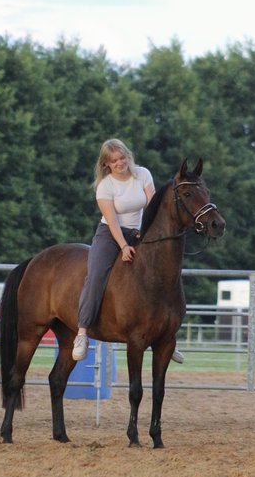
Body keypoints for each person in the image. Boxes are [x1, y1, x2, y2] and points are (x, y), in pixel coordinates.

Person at [74, 139, 184, 364]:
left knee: (165, 272)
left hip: (139, 231)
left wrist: (152, 235)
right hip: (110, 234)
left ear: (128, 156)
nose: (119, 163)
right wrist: (123, 247)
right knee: (95, 276)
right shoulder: (105, 186)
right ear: (106, 164)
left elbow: (153, 207)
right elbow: (113, 222)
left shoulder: (143, 174)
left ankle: (167, 336)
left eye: (122, 157)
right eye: (114, 160)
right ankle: (82, 333)